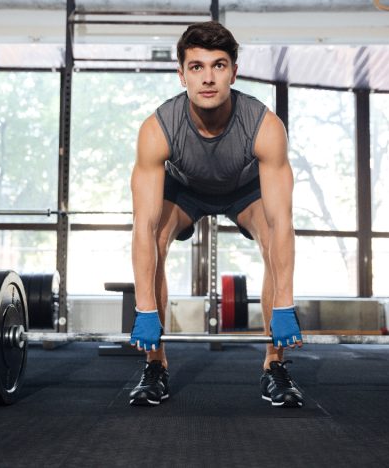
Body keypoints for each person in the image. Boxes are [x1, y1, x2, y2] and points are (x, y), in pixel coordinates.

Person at [129, 21, 303, 408]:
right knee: (156, 236)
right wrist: (144, 309)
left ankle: (274, 365)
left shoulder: (264, 126)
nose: (208, 78)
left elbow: (282, 221)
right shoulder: (157, 129)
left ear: (234, 72)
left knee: (273, 239)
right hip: (185, 190)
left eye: (219, 66)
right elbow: (141, 225)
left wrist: (286, 304)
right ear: (181, 75)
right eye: (197, 67)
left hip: (244, 189)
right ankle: (155, 365)